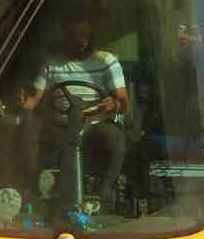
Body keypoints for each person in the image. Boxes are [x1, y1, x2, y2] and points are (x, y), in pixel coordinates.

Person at [17, 17, 128, 213]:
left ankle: (99, 199)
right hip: (59, 127)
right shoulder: (52, 64)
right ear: (65, 37)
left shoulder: (106, 61)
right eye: (75, 36)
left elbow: (123, 101)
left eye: (84, 36)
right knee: (28, 126)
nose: (80, 41)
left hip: (95, 125)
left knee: (117, 140)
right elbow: (32, 102)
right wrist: (21, 99)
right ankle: (35, 190)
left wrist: (114, 104)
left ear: (92, 36)